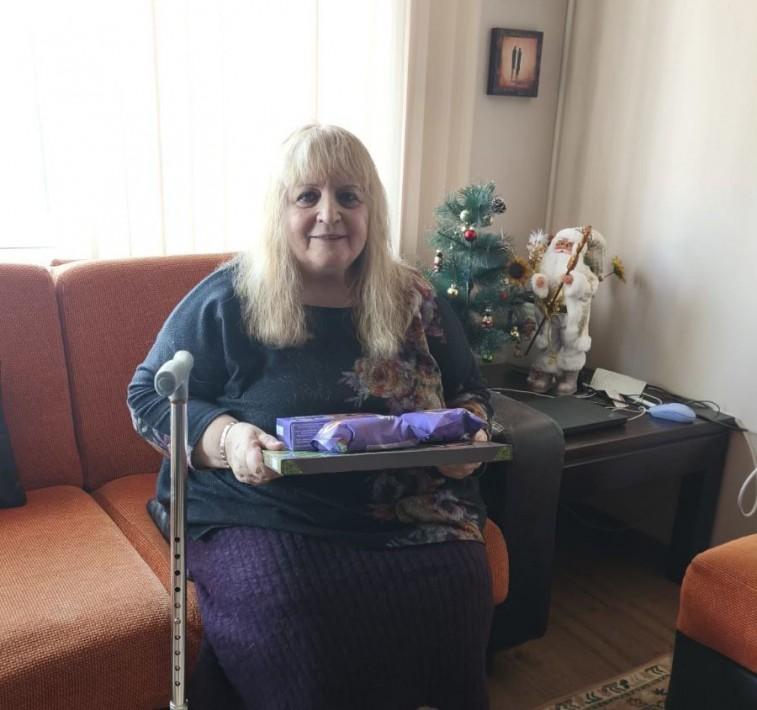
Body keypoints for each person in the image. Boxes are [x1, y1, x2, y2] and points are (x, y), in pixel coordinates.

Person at [128, 124, 495, 710]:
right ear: (281, 210)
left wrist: (469, 435)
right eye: (307, 196)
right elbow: (148, 394)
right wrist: (228, 438)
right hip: (265, 509)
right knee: (298, 604)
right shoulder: (231, 296)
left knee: (458, 583)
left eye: (349, 196)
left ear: (372, 210)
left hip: (411, 506)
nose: (330, 214)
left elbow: (471, 391)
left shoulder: (414, 296)